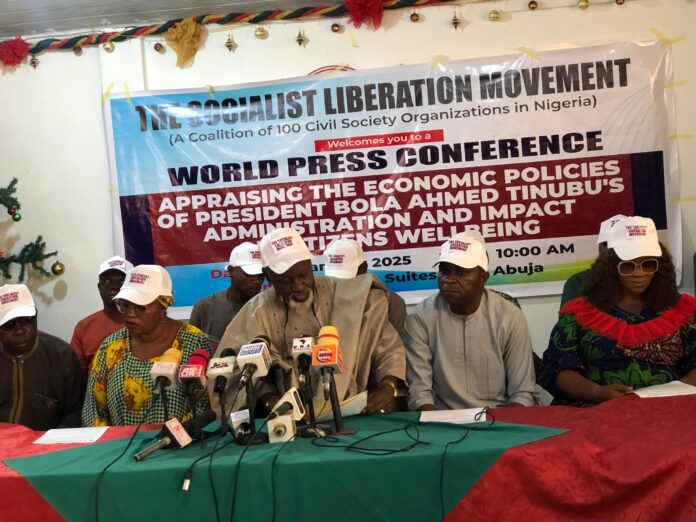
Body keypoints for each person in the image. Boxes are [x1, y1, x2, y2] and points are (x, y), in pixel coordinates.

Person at [216, 228, 406, 415]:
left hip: (356, 411)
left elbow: (388, 348)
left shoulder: (348, 294)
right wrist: (272, 402)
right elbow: (239, 371)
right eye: (287, 280)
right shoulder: (256, 312)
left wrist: (387, 388)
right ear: (268, 275)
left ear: (310, 265)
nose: (298, 286)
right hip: (289, 418)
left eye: (303, 275)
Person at [540, 216, 696, 404]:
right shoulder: (579, 314)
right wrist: (597, 393)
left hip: (669, 409)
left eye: (648, 265)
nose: (639, 273)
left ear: (660, 267)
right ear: (610, 268)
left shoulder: (686, 312)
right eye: (628, 266)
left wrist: (674, 392)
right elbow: (557, 369)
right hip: (595, 410)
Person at [404, 234, 536, 411]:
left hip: (498, 417)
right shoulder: (420, 318)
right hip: (442, 419)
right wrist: (437, 424)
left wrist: (500, 424)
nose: (449, 279)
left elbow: (523, 393)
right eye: (444, 270)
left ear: (483, 277)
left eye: (461, 272)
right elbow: (419, 394)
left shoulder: (509, 317)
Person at [82, 265, 213, 426]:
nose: (130, 314)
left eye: (140, 307)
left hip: (184, 440)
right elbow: (94, 412)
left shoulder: (194, 342)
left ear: (163, 305)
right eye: (125, 305)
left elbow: (204, 407)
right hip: (122, 442)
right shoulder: (111, 348)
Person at [0, 284, 85, 430]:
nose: (19, 330)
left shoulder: (62, 356)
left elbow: (76, 412)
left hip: (46, 442)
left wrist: (53, 440)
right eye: (9, 324)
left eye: (27, 320)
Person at [322, 237, 407, 338]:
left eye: (346, 279)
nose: (340, 284)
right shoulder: (318, 301)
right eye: (333, 279)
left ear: (363, 269)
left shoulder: (390, 303)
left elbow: (397, 345)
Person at [189, 242, 264, 344]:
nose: (257, 280)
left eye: (261, 274)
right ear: (230, 271)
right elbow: (191, 347)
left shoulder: (268, 307)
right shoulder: (204, 307)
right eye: (250, 273)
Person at [71, 255, 133, 370]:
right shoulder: (84, 327)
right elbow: (76, 372)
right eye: (108, 281)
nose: (114, 286)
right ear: (99, 287)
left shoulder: (143, 323)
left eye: (122, 282)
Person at [560, 214, 626, 306]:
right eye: (609, 246)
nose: (615, 253)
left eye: (623, 246)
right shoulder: (578, 281)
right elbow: (568, 314)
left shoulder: (643, 279)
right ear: (600, 248)